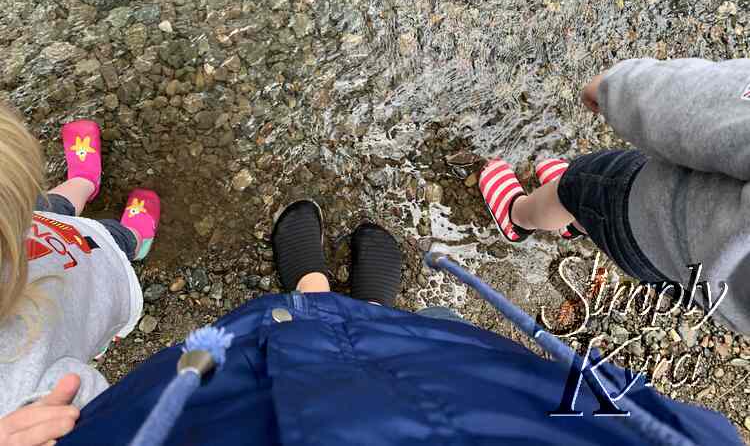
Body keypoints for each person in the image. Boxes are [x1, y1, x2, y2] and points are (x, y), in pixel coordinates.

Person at [60, 200, 740, 445]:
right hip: (511, 414)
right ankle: (369, 308)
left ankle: (315, 289)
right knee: (426, 339)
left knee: (280, 342)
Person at [478, 58, 750, 333]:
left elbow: (710, 105)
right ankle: (576, 223)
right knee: (602, 219)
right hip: (696, 284)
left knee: (580, 185)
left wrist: (618, 87)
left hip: (655, 215)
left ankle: (519, 216)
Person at [0, 104, 160, 446]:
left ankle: (83, 182)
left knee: (48, 208)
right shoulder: (18, 399)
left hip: (36, 227)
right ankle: (133, 240)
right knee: (108, 240)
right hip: (89, 273)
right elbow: (101, 411)